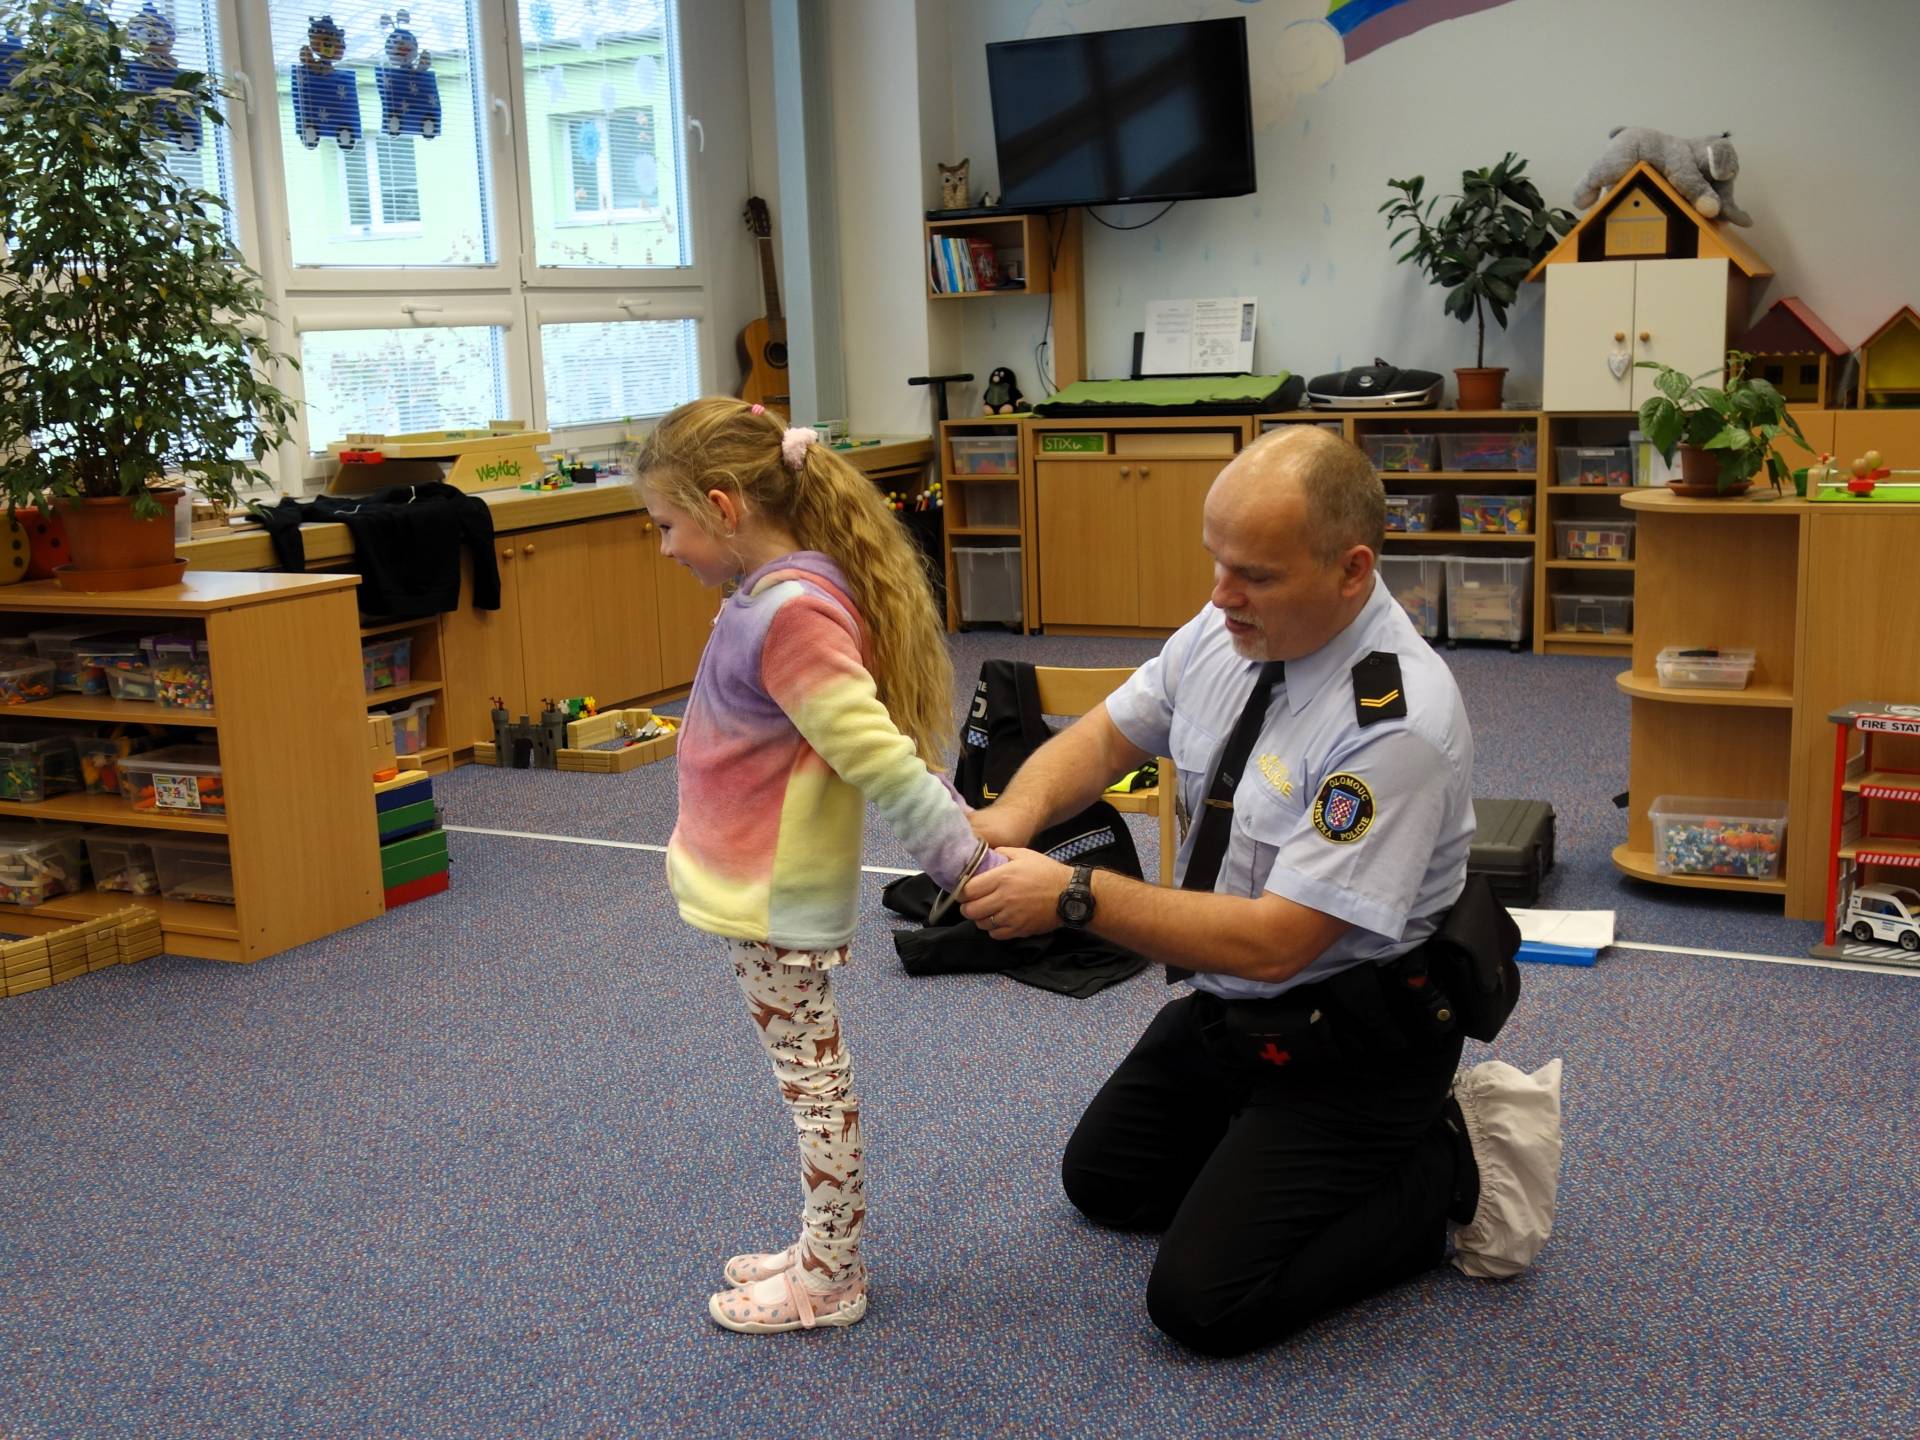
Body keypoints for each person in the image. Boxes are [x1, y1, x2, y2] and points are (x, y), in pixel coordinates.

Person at [959, 426, 1561, 1356]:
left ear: (1352, 571)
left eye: (1256, 574)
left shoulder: (1395, 722)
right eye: (1217, 561)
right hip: (1235, 1009)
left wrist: (1076, 896)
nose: (1220, 593)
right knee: (1106, 1183)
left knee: (1205, 1304)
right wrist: (1014, 812)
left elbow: (1280, 942)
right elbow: (1111, 735)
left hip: (1355, 1040)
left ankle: (1448, 1160)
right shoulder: (1230, 627)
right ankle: (1272, 1151)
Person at [634, 397, 1000, 1334]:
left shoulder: (789, 613)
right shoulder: (770, 596)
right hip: (756, 885)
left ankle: (831, 1277)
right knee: (810, 1076)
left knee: (813, 1085)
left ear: (724, 506)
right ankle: (818, 1251)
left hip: (773, 896)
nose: (664, 547)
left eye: (667, 524)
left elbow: (883, 761)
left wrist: (969, 869)